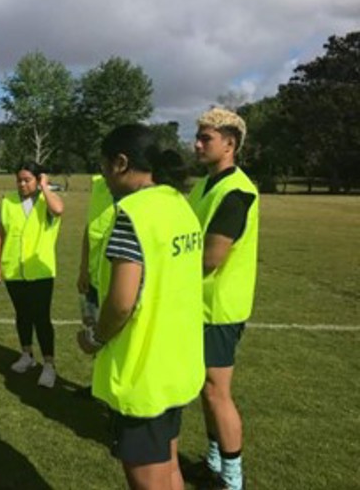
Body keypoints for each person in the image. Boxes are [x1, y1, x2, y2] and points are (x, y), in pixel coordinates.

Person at [77, 124, 204, 490]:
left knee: (149, 480)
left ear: (120, 163)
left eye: (103, 167)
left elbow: (120, 303)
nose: (103, 176)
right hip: (177, 363)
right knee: (169, 469)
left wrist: (95, 339)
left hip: (143, 372)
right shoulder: (179, 204)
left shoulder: (131, 214)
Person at [188, 108, 259, 490]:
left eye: (206, 138)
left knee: (218, 392)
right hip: (199, 305)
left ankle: (232, 478)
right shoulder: (205, 184)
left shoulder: (238, 192)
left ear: (229, 144)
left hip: (218, 308)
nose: (197, 144)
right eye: (197, 136)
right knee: (206, 389)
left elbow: (211, 258)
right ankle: (215, 461)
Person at [0, 161, 64, 388]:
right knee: (22, 314)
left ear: (38, 179)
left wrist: (44, 187)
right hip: (13, 269)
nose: (22, 184)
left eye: (27, 179)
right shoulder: (8, 201)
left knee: (41, 318)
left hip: (40, 270)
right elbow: (0, 234)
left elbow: (59, 210)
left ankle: (49, 364)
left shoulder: (46, 200)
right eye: (19, 180)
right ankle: (27, 355)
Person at [75, 174, 116, 394]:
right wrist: (83, 269)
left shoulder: (134, 188)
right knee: (94, 331)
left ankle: (111, 393)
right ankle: (99, 385)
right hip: (93, 278)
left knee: (113, 336)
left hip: (116, 280)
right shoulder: (100, 184)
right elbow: (89, 230)